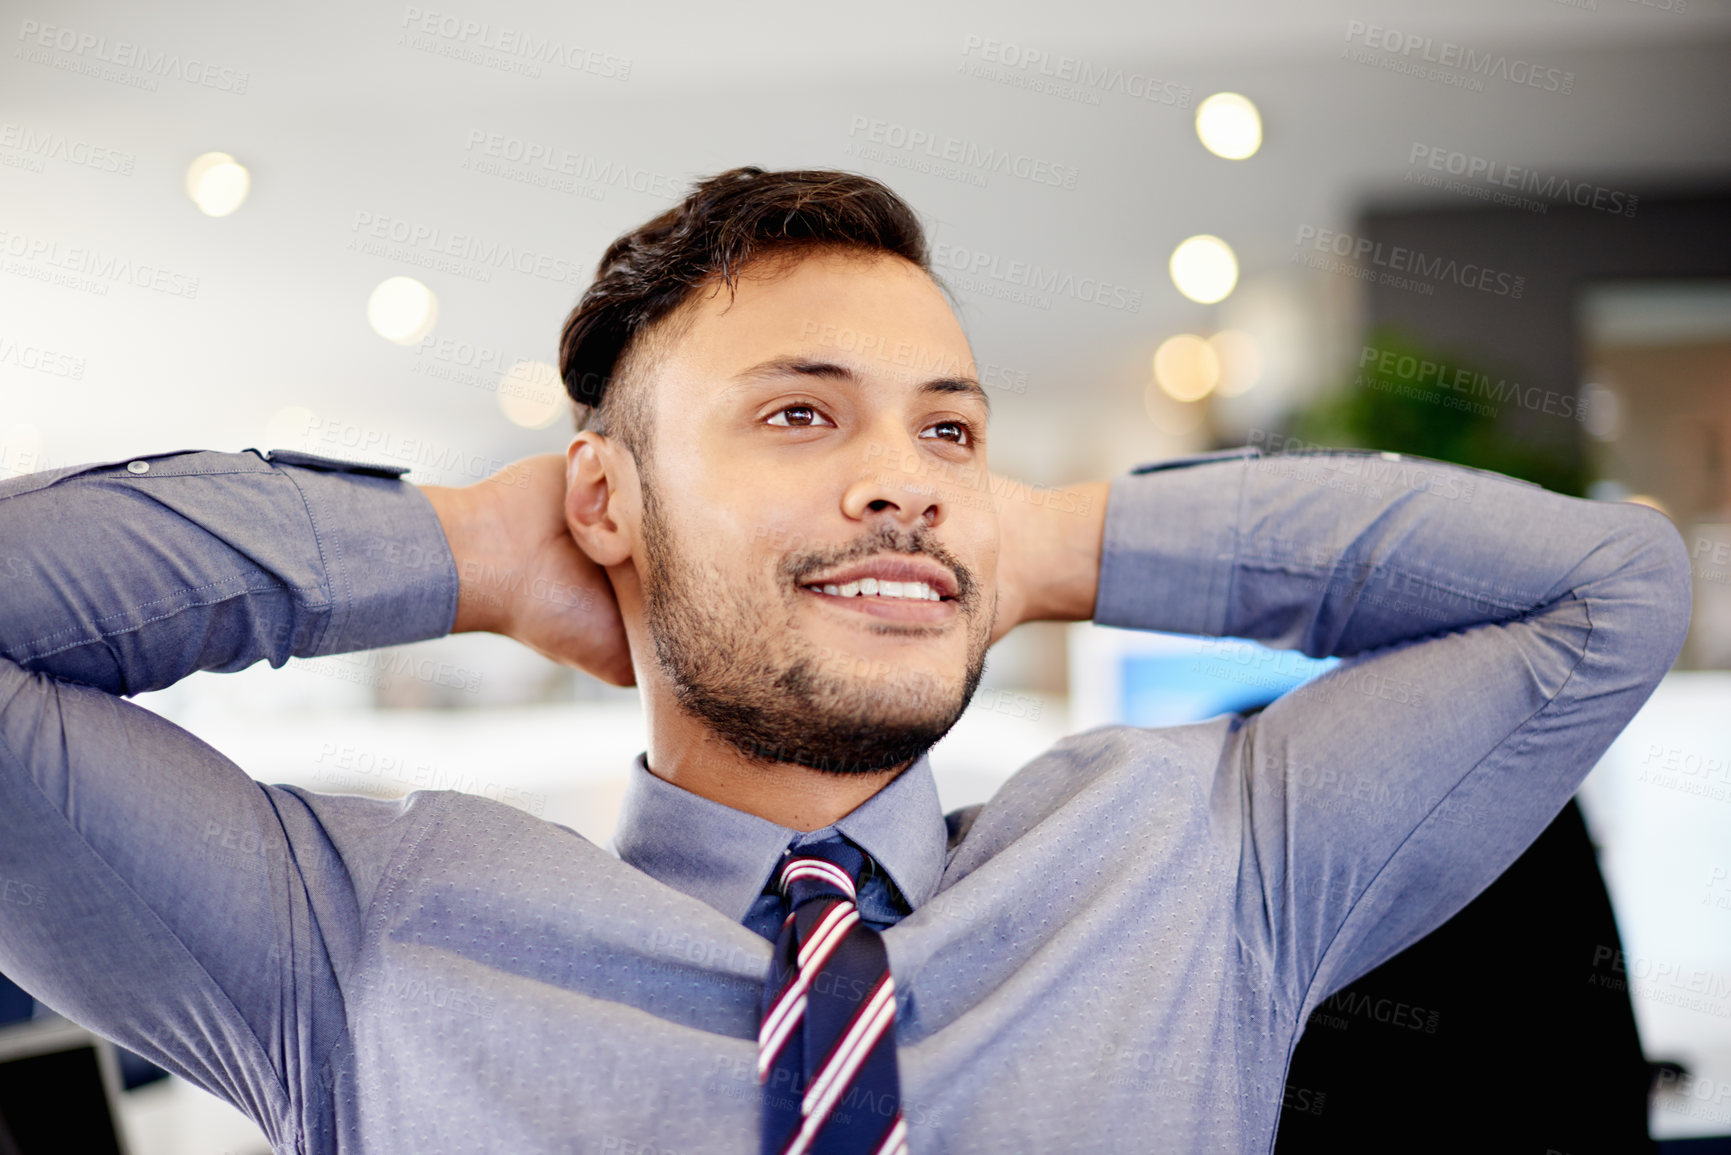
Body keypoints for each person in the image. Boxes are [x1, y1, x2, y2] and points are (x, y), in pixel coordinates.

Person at [0, 167, 1690, 1155]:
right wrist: (471, 547)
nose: (904, 476)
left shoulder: (1206, 862)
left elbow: (1607, 590)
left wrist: (1045, 541)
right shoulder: (358, 940)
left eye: (946, 429)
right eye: (800, 414)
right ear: (609, 494)